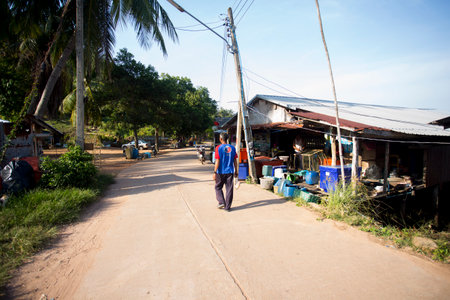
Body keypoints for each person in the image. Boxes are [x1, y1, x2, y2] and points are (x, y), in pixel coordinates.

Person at [213, 132, 238, 211]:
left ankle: (221, 202)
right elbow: (235, 160)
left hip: (220, 172)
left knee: (218, 187)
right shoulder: (233, 148)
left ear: (220, 139)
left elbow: (217, 160)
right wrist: (236, 171)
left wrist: (214, 172)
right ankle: (227, 207)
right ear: (227, 139)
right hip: (230, 171)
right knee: (229, 189)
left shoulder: (218, 148)